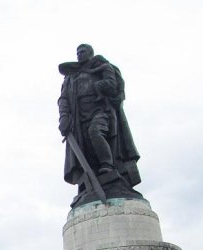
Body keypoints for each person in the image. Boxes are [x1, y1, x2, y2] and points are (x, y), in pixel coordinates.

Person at [58, 44, 141, 207]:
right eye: (78, 52)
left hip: (100, 110)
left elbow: (114, 87)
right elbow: (63, 100)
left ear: (91, 53)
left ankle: (107, 166)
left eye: (83, 52)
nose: (80, 55)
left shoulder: (102, 67)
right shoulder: (70, 77)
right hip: (78, 117)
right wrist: (63, 117)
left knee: (96, 132)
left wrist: (100, 83)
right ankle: (91, 182)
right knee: (85, 148)